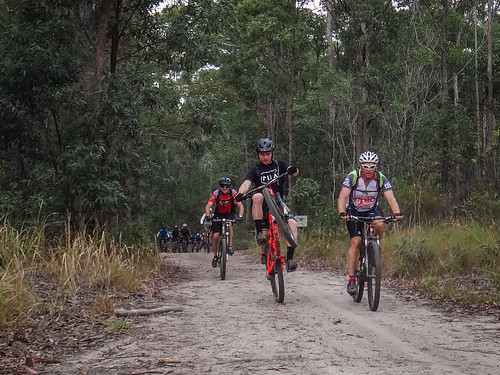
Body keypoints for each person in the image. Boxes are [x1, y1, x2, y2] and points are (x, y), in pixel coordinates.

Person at [337, 150, 403, 296]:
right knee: (356, 241)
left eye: (372, 166)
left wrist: (397, 213)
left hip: (372, 210)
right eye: (366, 166)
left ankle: (375, 250)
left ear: (376, 166)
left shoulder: (380, 178)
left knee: (380, 224)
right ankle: (352, 279)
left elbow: (390, 198)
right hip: (354, 211)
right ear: (361, 165)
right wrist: (342, 212)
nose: (368, 169)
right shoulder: (353, 177)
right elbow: (343, 196)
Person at [235, 137, 299, 272]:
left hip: (277, 200)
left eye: (268, 154)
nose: (265, 157)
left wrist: (293, 170)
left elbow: (292, 170)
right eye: (262, 154)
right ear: (258, 154)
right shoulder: (255, 170)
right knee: (257, 196)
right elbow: (246, 184)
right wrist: (240, 193)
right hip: (262, 204)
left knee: (293, 224)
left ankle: (290, 259)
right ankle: (260, 235)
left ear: (272, 153)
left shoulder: (278, 165)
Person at [205, 177, 244, 268]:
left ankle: (229, 246)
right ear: (220, 187)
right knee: (215, 236)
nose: (225, 188)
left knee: (229, 224)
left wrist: (240, 216)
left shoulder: (233, 193)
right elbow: (208, 205)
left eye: (226, 186)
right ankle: (215, 256)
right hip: (218, 214)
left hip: (229, 213)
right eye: (223, 186)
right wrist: (207, 216)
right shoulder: (216, 193)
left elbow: (240, 206)